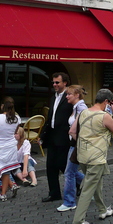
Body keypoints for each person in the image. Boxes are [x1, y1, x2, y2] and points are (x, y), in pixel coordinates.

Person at [71, 88, 113, 224]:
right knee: (88, 189)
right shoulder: (104, 116)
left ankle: (103, 210)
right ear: (107, 101)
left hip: (83, 156)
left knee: (96, 183)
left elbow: (72, 131)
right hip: (96, 157)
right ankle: (78, 221)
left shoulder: (83, 113)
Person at [41, 72, 74, 203]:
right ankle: (54, 193)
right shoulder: (54, 97)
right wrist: (43, 135)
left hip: (64, 136)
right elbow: (51, 118)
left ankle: (79, 184)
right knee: (50, 166)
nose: (54, 85)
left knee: (63, 164)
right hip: (53, 135)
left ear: (65, 83)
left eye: (57, 82)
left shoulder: (69, 97)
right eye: (53, 82)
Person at [57, 85, 87, 212]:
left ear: (77, 95)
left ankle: (69, 202)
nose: (67, 96)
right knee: (72, 171)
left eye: (69, 94)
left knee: (69, 172)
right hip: (74, 144)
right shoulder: (75, 108)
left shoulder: (81, 108)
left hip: (76, 145)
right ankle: (91, 186)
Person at [0, 97, 21, 202]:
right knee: (5, 169)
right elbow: (15, 131)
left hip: (0, 146)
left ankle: (3, 193)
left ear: (3, 106)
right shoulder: (17, 118)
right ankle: (11, 186)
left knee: (1, 169)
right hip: (11, 145)